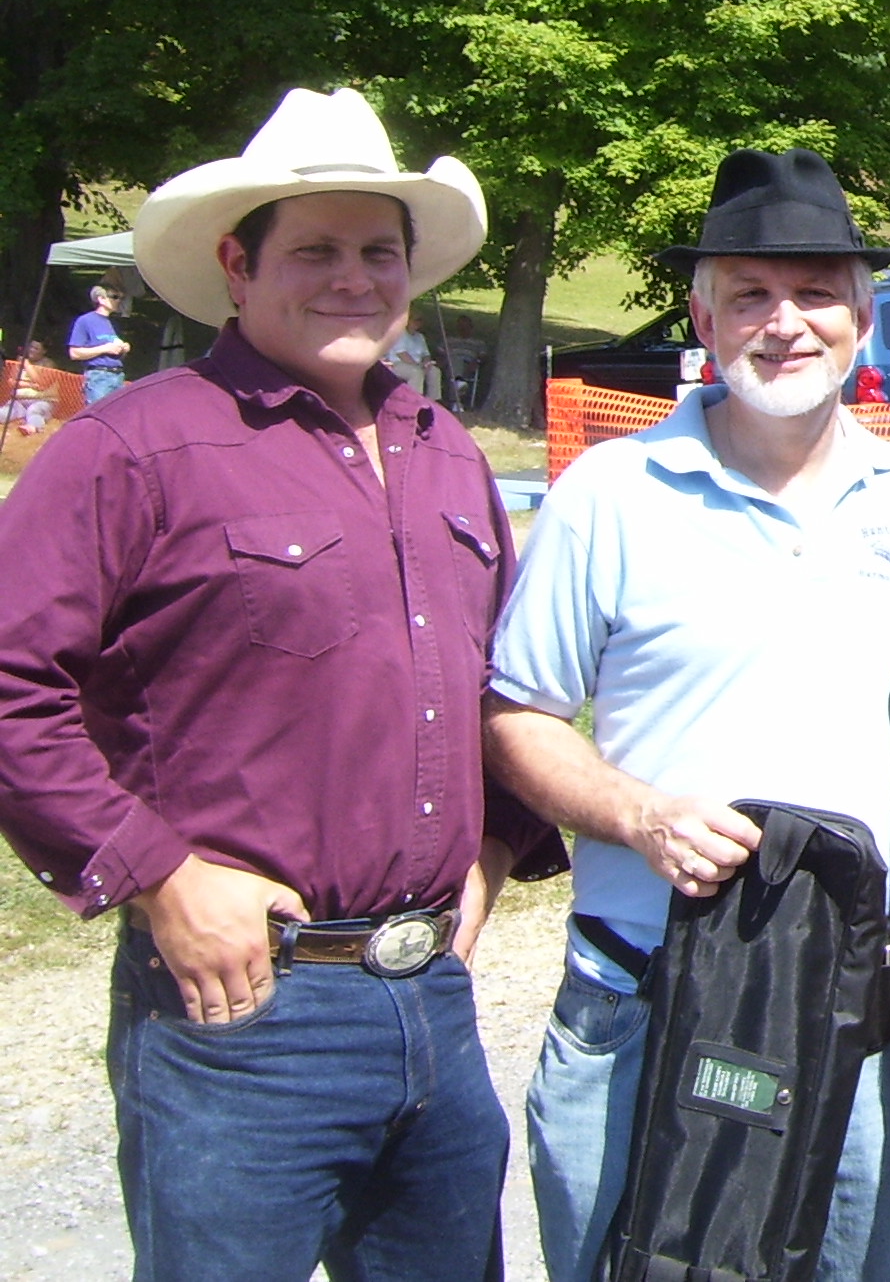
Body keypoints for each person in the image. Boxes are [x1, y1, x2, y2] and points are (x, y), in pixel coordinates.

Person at [0, 86, 560, 1282]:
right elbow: (9, 683)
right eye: (314, 250)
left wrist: (500, 846)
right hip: (238, 1012)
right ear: (237, 267)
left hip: (433, 1005)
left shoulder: (446, 453)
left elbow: (505, 685)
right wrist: (155, 876)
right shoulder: (134, 448)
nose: (352, 277)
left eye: (376, 251)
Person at [483, 148, 890, 1282]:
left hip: (859, 1008)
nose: (782, 322)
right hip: (640, 995)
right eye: (748, 292)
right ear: (701, 312)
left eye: (814, 292)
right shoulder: (609, 494)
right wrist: (639, 815)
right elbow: (516, 719)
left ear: (863, 314)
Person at [66, 281, 131, 406]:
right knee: (97, 417)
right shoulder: (85, 321)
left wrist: (123, 349)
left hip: (118, 376)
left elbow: (115, 353)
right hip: (98, 377)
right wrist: (104, 348)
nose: (119, 301)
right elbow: (74, 353)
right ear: (101, 299)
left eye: (121, 298)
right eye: (115, 297)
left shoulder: (114, 323)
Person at [3, 337, 57, 434]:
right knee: (7, 411)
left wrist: (26, 365)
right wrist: (30, 384)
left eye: (36, 348)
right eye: (31, 346)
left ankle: (33, 427)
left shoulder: (48, 364)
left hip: (41, 401)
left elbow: (42, 384)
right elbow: (11, 381)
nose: (31, 350)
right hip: (19, 400)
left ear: (44, 351)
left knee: (33, 411)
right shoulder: (20, 360)